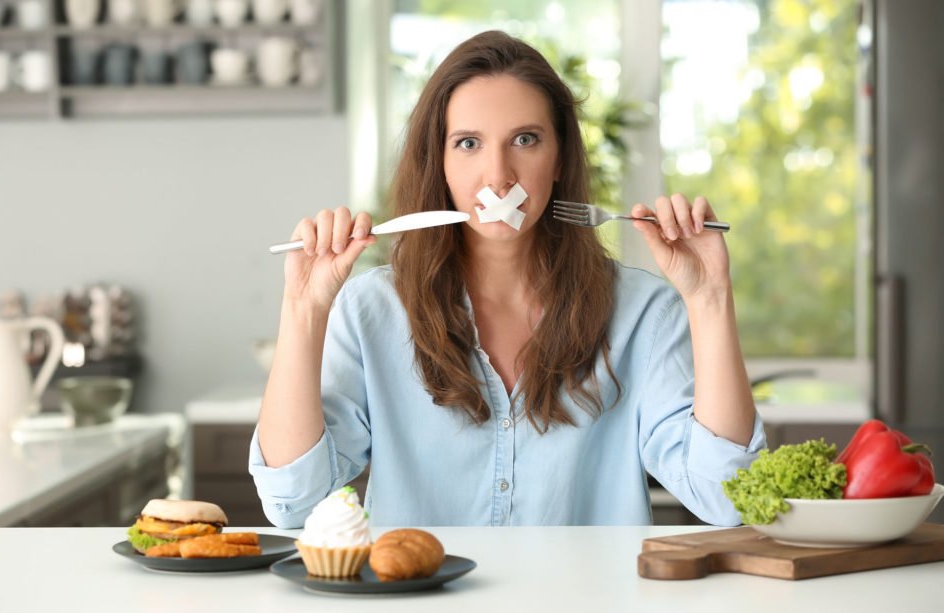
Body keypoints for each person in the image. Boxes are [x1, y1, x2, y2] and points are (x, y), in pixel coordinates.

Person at [250, 30, 766, 528]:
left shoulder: (643, 315)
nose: (498, 176)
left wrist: (709, 296)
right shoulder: (371, 310)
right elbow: (293, 503)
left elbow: (729, 499)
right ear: (441, 164)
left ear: (560, 156)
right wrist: (304, 306)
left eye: (525, 139)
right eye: (469, 143)